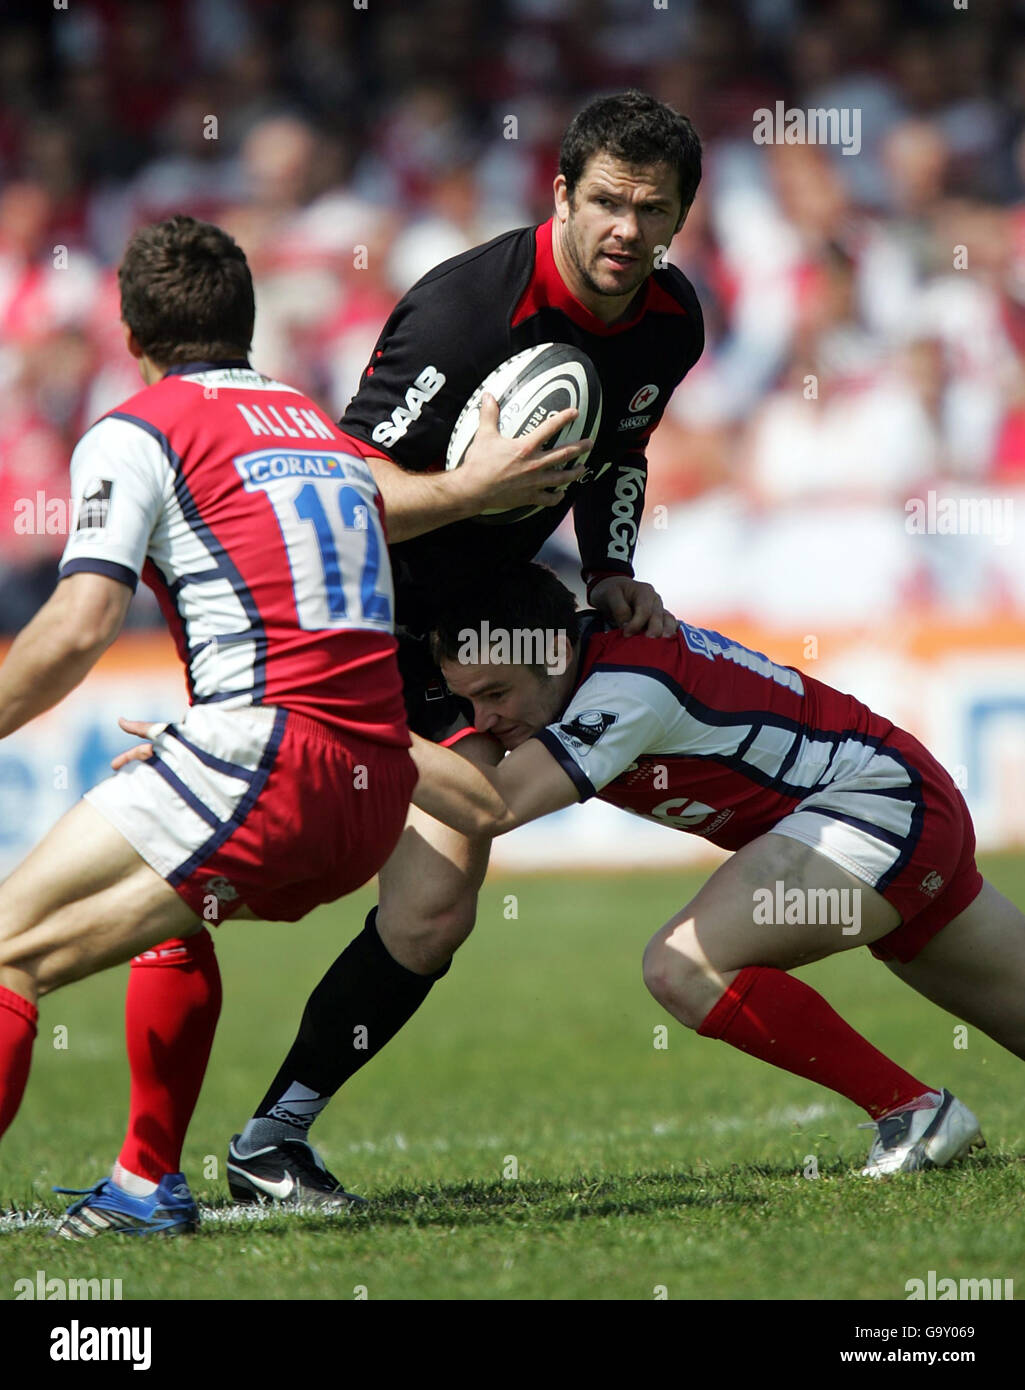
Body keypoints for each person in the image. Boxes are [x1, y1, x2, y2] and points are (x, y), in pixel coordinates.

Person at [109, 89, 708, 1211]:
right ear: (561, 194)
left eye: (654, 210)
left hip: (468, 630)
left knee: (435, 906)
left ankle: (269, 1139)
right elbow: (340, 493)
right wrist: (473, 490)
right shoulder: (463, 312)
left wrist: (614, 563)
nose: (628, 229)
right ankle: (114, 1119)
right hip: (349, 615)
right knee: (208, 879)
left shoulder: (672, 321)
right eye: (610, 203)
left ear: (680, 216)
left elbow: (620, 449)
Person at [0, 213, 421, 1238]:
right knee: (168, 916)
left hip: (265, 760)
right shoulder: (316, 426)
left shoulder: (139, 424)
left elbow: (80, 624)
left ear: (128, 331)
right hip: (371, 793)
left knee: (6, 952)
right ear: (247, 320)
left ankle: (149, 1183)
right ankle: (147, 1184)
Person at [398, 561, 1022, 1176]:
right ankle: (917, 1114)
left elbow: (495, 805)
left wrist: (355, 731)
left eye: (496, 694)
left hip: (872, 810)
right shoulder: (605, 657)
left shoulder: (626, 686)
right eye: (468, 700)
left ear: (556, 653)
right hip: (899, 802)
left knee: (684, 966)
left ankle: (915, 1113)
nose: (484, 722)